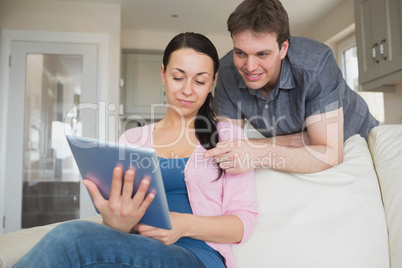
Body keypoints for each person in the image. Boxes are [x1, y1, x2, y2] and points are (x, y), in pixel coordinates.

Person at [14, 32, 258, 268]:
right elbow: (120, 227)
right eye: (178, 77)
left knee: (73, 238)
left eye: (200, 80)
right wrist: (116, 222)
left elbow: (243, 223)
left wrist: (183, 225)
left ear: (212, 82)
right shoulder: (132, 139)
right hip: (135, 251)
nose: (187, 90)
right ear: (163, 75)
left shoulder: (228, 137)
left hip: (197, 257)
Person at [205, 0, 379, 174]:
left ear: (283, 48)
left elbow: (328, 154)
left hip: (358, 140)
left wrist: (258, 149)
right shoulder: (227, 72)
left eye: (262, 54)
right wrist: (295, 140)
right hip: (301, 154)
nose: (249, 67)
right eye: (240, 53)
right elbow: (228, 146)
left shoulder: (316, 63)